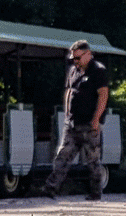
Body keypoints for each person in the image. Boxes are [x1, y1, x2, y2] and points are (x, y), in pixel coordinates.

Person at [40, 39, 110, 200]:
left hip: (89, 124)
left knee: (92, 160)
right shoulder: (73, 70)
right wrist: (67, 113)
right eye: (73, 59)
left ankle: (96, 191)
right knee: (62, 156)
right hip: (72, 123)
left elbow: (103, 95)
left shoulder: (97, 71)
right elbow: (69, 91)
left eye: (78, 58)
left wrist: (96, 119)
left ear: (88, 54)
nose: (75, 61)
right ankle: (51, 188)